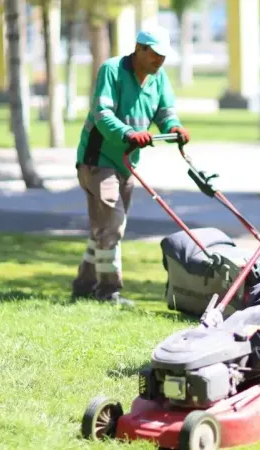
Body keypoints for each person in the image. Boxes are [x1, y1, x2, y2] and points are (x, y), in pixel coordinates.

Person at [71, 26, 190, 305]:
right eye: (155, 54)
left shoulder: (158, 79)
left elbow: (165, 111)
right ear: (140, 49)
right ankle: (108, 293)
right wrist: (127, 133)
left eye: (163, 56)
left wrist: (174, 127)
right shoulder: (112, 70)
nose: (160, 61)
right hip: (97, 159)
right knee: (112, 224)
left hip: (127, 163)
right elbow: (102, 113)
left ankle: (83, 285)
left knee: (102, 229)